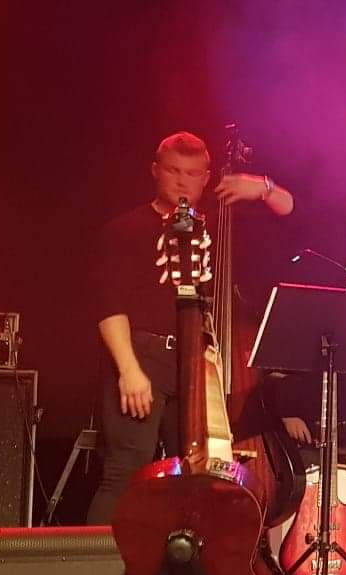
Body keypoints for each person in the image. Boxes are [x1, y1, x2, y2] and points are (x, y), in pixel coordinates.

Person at [88, 132, 298, 524]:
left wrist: (261, 186)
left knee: (190, 474)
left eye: (192, 173)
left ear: (206, 178)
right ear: (155, 171)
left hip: (197, 363)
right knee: (125, 470)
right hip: (144, 355)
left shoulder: (216, 223)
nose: (182, 181)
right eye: (173, 171)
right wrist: (129, 370)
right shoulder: (126, 229)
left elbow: (287, 208)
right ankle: (97, 560)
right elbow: (110, 307)